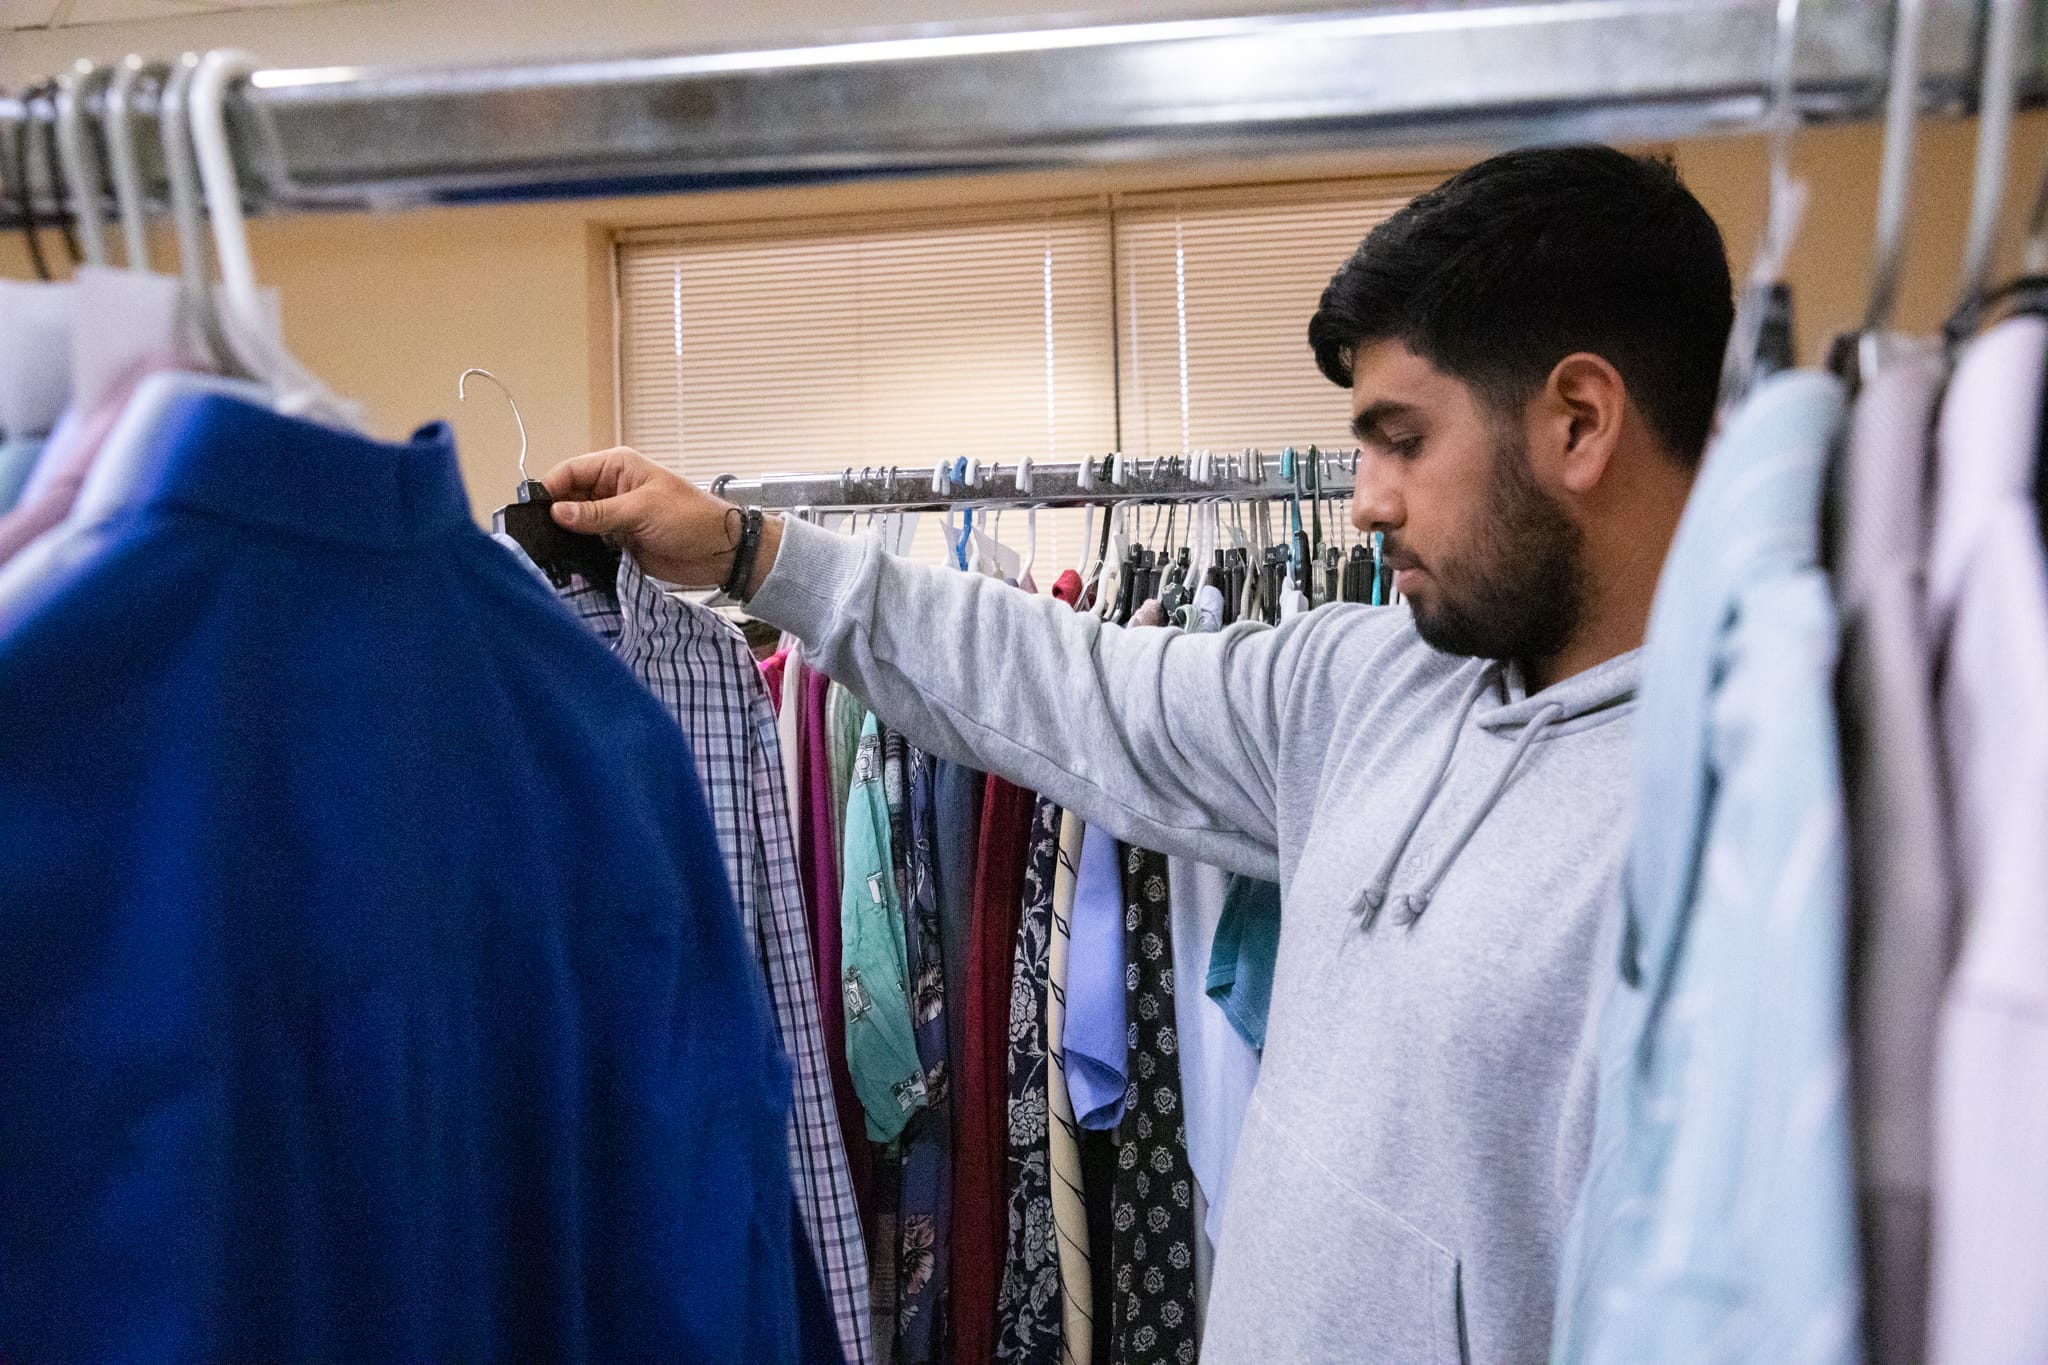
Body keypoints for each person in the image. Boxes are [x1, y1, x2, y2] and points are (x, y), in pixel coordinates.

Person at [542, 145, 1733, 1363]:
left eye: (1401, 439)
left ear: (1578, 423)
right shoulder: (1367, 682)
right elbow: (1064, 681)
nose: (1364, 502)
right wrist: (752, 554)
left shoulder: (1734, 842)